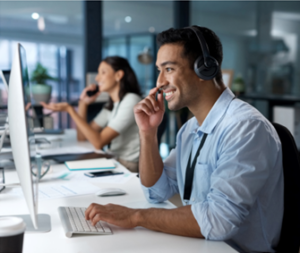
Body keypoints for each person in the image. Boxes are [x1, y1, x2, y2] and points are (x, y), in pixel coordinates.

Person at [84, 26, 284, 252]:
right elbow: (156, 191)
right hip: (198, 243)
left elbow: (219, 221)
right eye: (159, 70)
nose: (159, 81)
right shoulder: (190, 129)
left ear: (204, 69)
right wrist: (148, 133)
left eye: (168, 69)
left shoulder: (245, 128)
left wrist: (135, 216)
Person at [41, 56, 142, 172]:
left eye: (103, 72)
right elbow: (82, 137)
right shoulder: (112, 104)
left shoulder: (131, 101)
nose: (98, 78)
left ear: (118, 75)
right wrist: (83, 104)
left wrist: (70, 110)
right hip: (115, 159)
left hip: (127, 165)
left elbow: (98, 142)